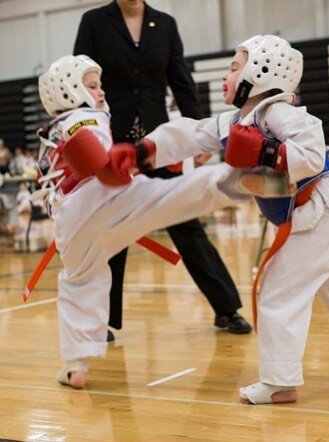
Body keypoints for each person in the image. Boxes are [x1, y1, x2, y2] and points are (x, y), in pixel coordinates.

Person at [102, 35, 329, 405]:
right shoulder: (238, 119)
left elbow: (313, 154)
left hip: (318, 207)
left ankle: (280, 379)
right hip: (324, 211)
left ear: (261, 72)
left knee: (279, 289)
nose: (226, 74)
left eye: (235, 67)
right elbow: (194, 132)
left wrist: (269, 150)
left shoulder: (278, 112)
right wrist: (145, 152)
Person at [35, 54, 275, 389]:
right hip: (99, 195)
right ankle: (233, 180)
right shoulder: (82, 118)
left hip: (68, 225)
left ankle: (75, 364)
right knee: (172, 197)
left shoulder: (48, 136)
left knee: (78, 282)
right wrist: (107, 163)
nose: (101, 92)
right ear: (68, 91)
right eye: (92, 86)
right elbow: (87, 142)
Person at [73, 0, 251, 336]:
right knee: (111, 228)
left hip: (157, 143)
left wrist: (200, 137)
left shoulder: (164, 24)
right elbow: (80, 80)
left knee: (185, 220)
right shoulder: (94, 22)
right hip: (110, 139)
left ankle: (226, 309)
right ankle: (101, 321)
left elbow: (181, 80)